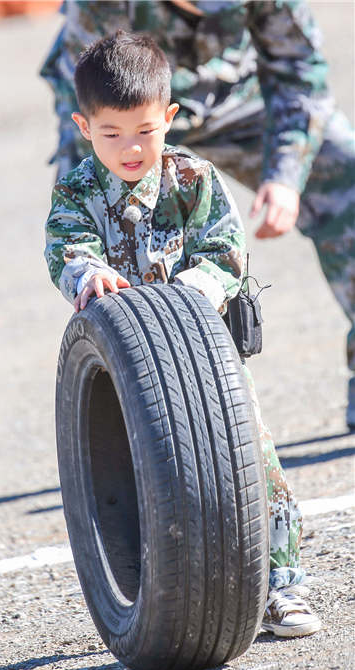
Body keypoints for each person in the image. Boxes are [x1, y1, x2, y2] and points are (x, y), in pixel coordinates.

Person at [44, 30, 322, 637]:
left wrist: (199, 287)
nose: (131, 148)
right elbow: (67, 246)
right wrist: (88, 275)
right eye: (112, 133)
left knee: (253, 457)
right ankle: (163, 592)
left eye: (145, 130)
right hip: (126, 372)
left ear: (168, 117)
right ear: (84, 128)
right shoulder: (77, 190)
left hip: (205, 358)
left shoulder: (193, 180)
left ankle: (282, 585)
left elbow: (228, 250)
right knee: (148, 476)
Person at [41, 0, 355, 429]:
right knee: (106, 256)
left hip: (238, 101)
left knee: (349, 178)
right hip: (128, 122)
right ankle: (136, 420)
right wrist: (90, 254)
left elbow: (299, 73)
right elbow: (91, 97)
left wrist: (285, 175)